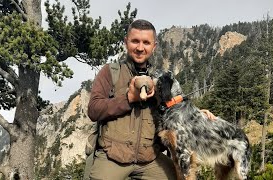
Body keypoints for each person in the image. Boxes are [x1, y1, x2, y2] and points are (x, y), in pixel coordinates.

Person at [87, 19, 215, 180]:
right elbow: (93, 110)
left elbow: (176, 107)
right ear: (126, 42)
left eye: (146, 42)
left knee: (180, 177)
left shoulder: (161, 79)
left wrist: (197, 114)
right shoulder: (111, 72)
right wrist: (128, 98)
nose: (140, 48)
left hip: (149, 159)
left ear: (154, 46)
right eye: (135, 41)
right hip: (113, 157)